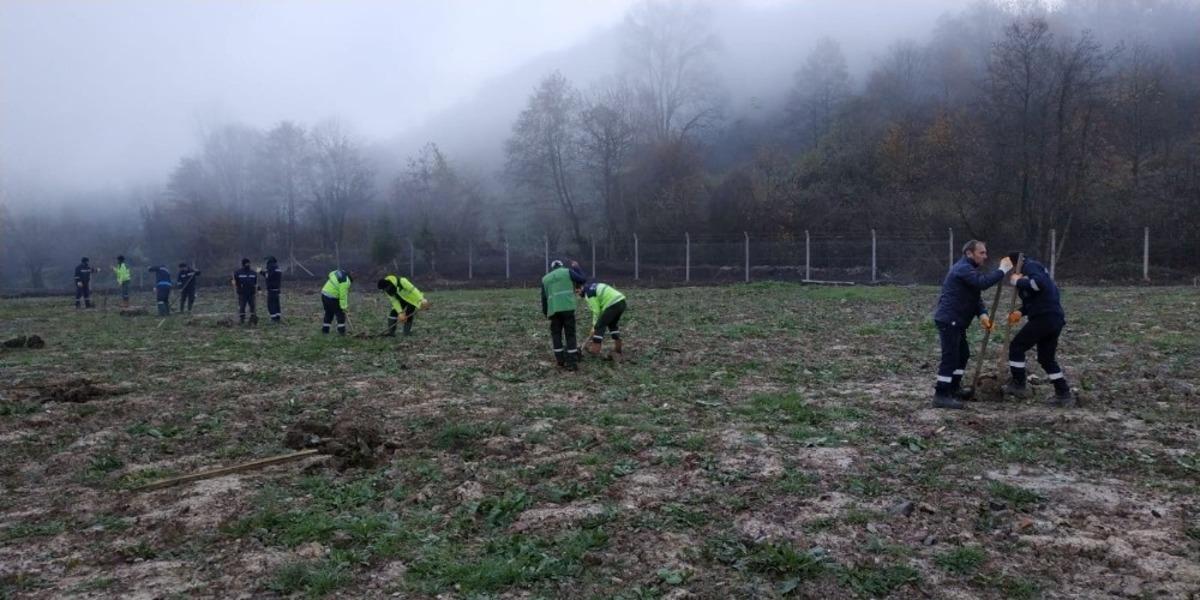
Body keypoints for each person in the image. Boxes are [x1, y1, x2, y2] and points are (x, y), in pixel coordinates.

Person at [931, 240, 1013, 409]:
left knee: (963, 354)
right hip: (949, 319)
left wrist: (982, 314)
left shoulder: (969, 270)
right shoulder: (963, 268)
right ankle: (941, 394)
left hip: (957, 320)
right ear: (969, 253)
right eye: (981, 253)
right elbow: (982, 284)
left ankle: (954, 388)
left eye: (985, 253)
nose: (985, 256)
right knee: (951, 357)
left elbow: (974, 296)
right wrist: (1002, 270)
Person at [1003, 253, 1074, 407]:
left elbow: (1038, 284)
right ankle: (1063, 393)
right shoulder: (1029, 272)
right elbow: (1036, 299)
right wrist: (1020, 312)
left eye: (1010, 270)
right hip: (1052, 318)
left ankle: (1019, 384)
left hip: (1045, 318)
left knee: (1017, 347)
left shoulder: (1030, 266)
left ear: (1016, 264)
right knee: (1046, 359)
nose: (1010, 274)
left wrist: (1018, 281)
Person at [540, 259, 587, 370]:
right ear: (561, 266)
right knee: (570, 335)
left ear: (552, 268)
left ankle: (560, 361)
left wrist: (546, 313)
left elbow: (543, 298)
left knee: (556, 335)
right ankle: (572, 362)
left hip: (553, 311)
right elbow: (582, 280)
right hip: (567, 308)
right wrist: (577, 268)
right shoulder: (567, 271)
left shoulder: (545, 279)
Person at [579, 281, 626, 357]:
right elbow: (600, 309)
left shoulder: (589, 293)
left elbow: (596, 311)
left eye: (578, 291)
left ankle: (595, 350)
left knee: (599, 326)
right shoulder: (592, 286)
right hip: (621, 302)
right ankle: (618, 347)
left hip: (612, 304)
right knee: (612, 324)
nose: (578, 293)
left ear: (582, 288)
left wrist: (594, 326)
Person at [320, 269, 352, 335]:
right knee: (340, 313)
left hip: (324, 294)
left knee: (329, 313)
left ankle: (325, 331)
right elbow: (343, 295)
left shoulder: (338, 272)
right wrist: (344, 307)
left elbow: (330, 274)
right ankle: (341, 332)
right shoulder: (345, 282)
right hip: (332, 297)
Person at [232, 258, 258, 325]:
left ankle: (252, 318)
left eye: (248, 263)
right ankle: (242, 319)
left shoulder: (253, 273)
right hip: (242, 293)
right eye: (246, 263)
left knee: (252, 306)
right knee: (242, 306)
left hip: (251, 293)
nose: (248, 264)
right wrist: (233, 282)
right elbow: (235, 281)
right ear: (243, 264)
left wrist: (258, 289)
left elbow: (255, 282)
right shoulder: (238, 272)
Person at [260, 256, 283, 323]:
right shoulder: (277, 267)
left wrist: (260, 272)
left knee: (271, 304)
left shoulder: (271, 267)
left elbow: (268, 276)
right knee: (276, 304)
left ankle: (273, 319)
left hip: (271, 289)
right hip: (277, 288)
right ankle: (278, 317)